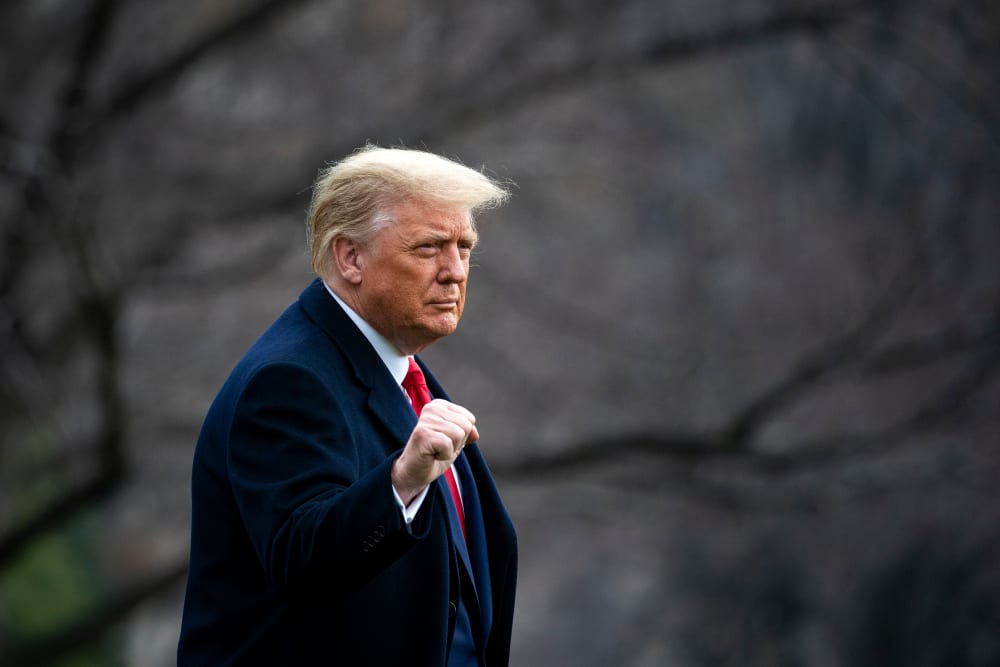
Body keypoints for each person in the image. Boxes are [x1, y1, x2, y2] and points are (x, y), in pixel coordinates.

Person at [177, 145, 518, 666]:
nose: (454, 271)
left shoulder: (404, 370)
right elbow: (300, 562)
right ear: (350, 257)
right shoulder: (288, 379)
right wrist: (402, 480)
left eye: (464, 246)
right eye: (429, 248)